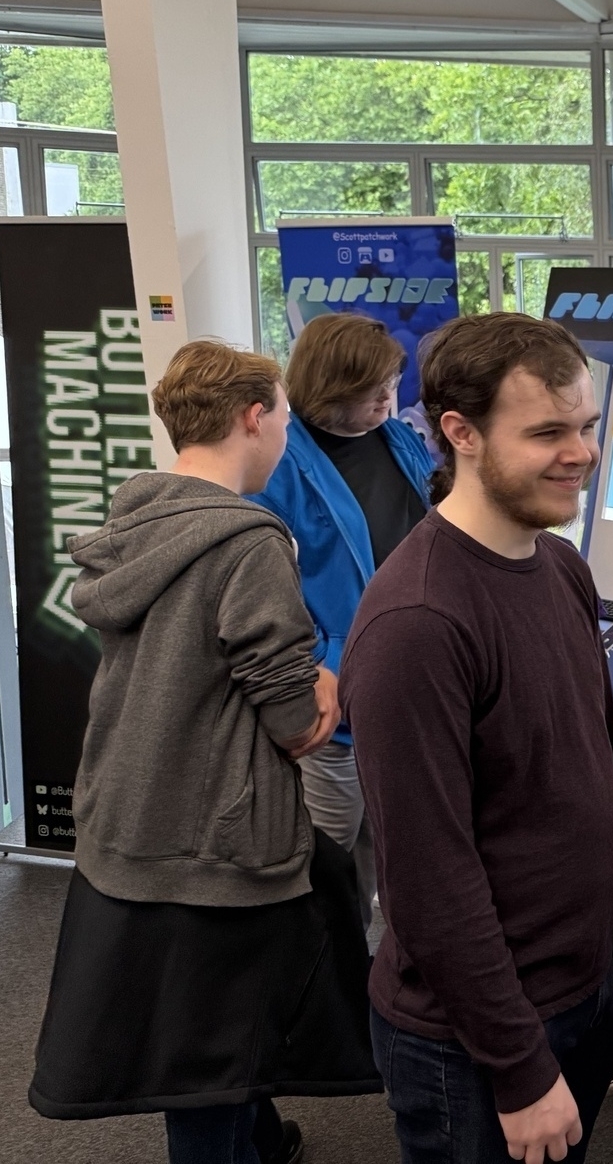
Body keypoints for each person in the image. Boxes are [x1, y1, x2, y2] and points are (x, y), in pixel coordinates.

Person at [29, 340, 378, 1164]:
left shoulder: (137, 518)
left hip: (128, 808)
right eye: (285, 420)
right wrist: (323, 689)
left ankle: (263, 1138)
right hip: (219, 834)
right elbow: (292, 719)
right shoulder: (250, 540)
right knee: (207, 1055)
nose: (287, 437)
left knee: (197, 1019)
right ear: (253, 417)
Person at [341, 313, 613, 1164]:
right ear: (461, 433)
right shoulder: (418, 619)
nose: (582, 452)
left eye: (586, 427)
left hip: (581, 987)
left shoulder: (560, 568)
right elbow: (426, 876)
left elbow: (603, 759)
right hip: (474, 1037)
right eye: (548, 432)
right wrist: (518, 1069)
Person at [251, 311, 435, 930]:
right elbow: (259, 598)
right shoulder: (276, 467)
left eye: (393, 385)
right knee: (331, 863)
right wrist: (305, 670)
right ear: (329, 388)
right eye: (373, 391)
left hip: (412, 676)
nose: (390, 401)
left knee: (408, 854)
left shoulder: (398, 438)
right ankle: (328, 999)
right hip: (331, 690)